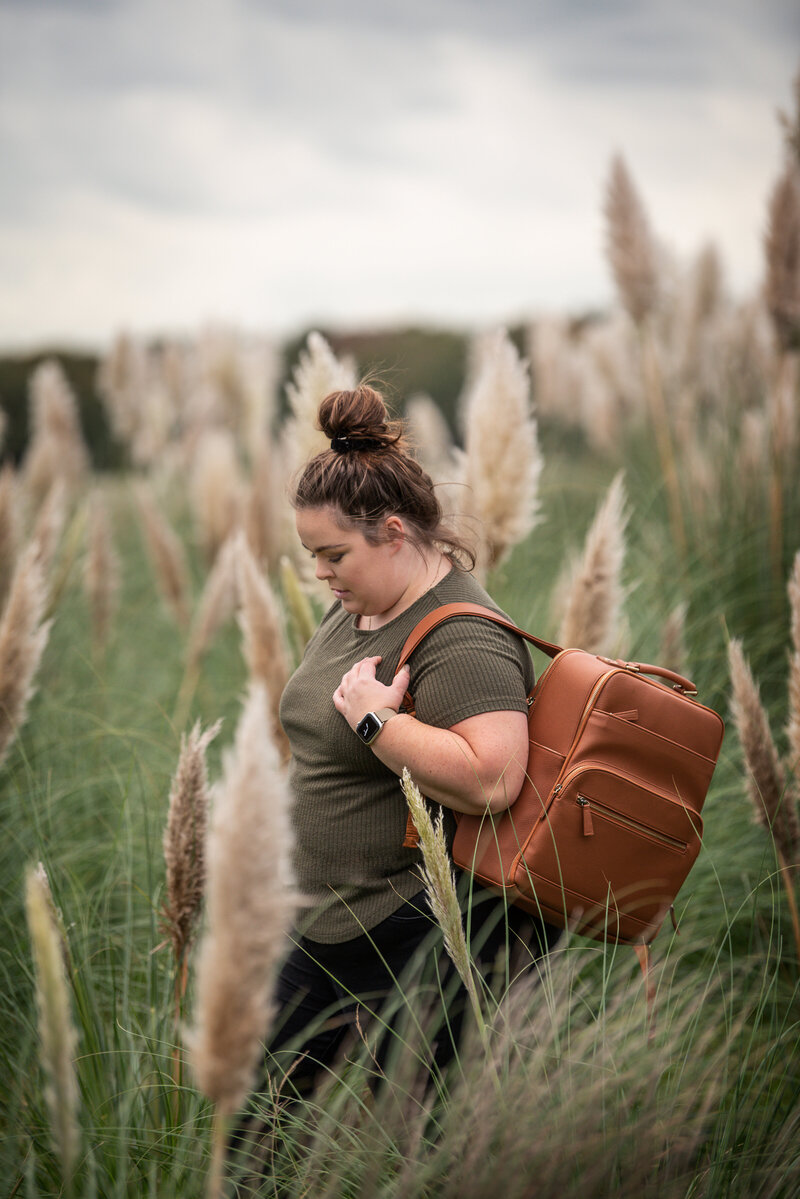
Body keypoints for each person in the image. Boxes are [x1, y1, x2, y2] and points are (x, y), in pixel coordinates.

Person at [262, 383, 559, 1108]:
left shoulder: (463, 635)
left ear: (393, 532)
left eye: (333, 554)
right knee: (250, 1131)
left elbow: (493, 778)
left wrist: (379, 722)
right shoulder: (358, 608)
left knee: (410, 1141)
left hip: (416, 935)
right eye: (311, 555)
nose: (320, 574)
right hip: (327, 929)